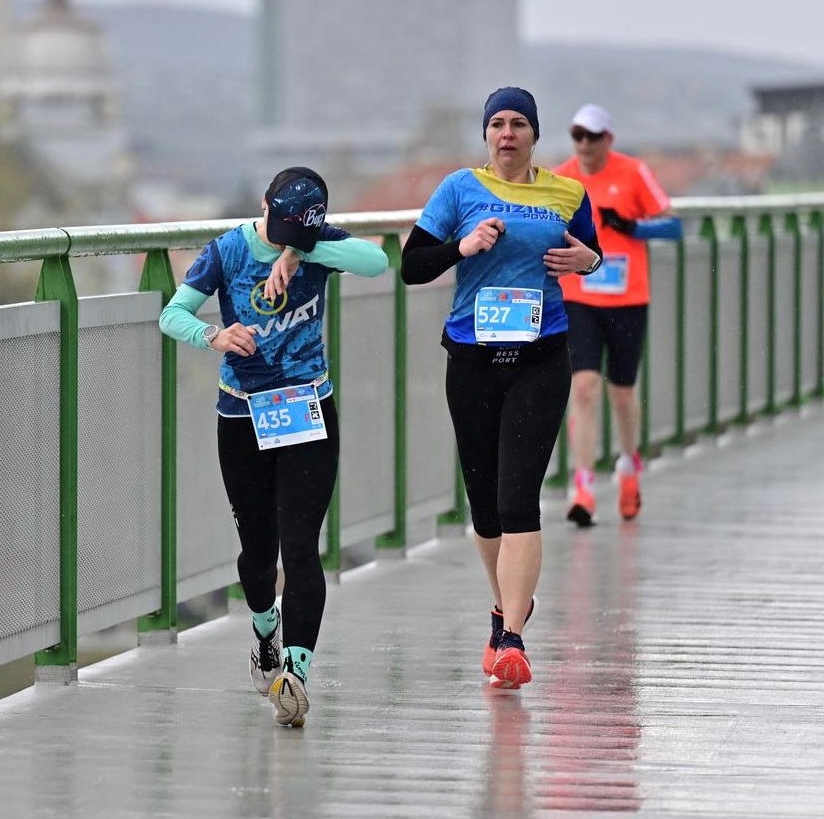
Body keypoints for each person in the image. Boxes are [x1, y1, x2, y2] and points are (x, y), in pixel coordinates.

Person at [158, 166, 388, 726]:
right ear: (264, 205)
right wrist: (214, 335)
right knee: (259, 554)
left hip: (308, 409)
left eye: (299, 231)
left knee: (302, 547)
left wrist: (303, 252)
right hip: (242, 414)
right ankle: (266, 632)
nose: (288, 239)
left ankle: (295, 675)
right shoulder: (228, 251)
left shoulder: (317, 243)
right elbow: (171, 314)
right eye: (282, 228)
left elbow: (377, 262)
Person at [401, 87, 602, 690]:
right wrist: (461, 247)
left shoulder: (568, 193)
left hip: (542, 357)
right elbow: (412, 266)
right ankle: (505, 606)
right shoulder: (458, 189)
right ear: (486, 134)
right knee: (484, 506)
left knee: (519, 500)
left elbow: (593, 253)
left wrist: (587, 264)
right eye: (497, 124)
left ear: (535, 134)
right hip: (472, 361)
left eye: (518, 123)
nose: (507, 133)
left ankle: (512, 637)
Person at [553, 104, 682, 526]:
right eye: (577, 136)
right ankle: (583, 486)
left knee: (622, 393)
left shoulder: (633, 172)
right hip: (580, 297)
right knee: (584, 386)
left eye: (592, 136)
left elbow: (674, 226)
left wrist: (632, 227)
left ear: (608, 139)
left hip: (627, 298)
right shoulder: (562, 179)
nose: (584, 145)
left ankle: (628, 465)